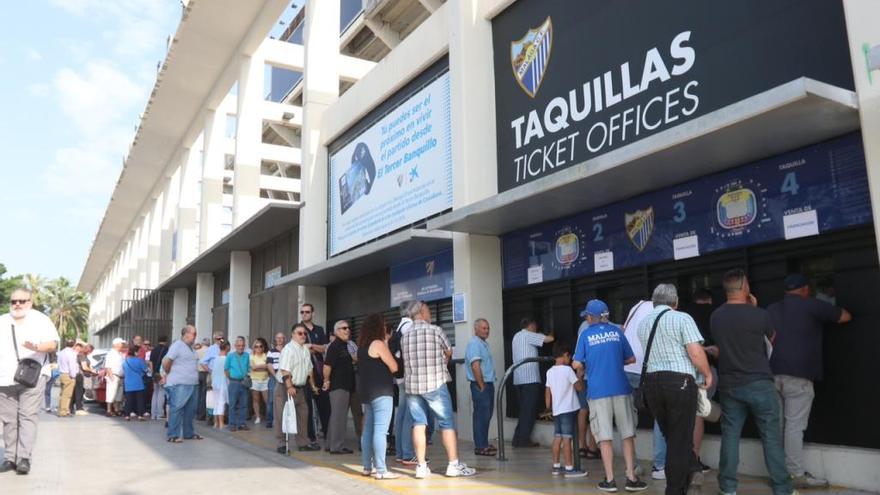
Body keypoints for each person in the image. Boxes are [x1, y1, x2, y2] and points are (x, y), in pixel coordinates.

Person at [711, 269, 794, 495]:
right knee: (771, 437)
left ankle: (728, 488)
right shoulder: (759, 314)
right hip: (760, 383)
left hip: (730, 385)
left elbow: (723, 347)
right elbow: (771, 339)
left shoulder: (716, 316)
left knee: (730, 436)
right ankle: (782, 488)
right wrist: (754, 309)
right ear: (744, 287)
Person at [768, 274, 851, 489]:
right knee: (794, 427)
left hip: (772, 374)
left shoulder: (771, 309)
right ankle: (796, 475)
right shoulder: (813, 305)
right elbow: (844, 316)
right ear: (805, 289)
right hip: (799, 375)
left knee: (778, 426)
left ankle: (779, 474)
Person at [638, 284, 713, 495]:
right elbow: (695, 352)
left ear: (654, 302)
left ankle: (692, 469)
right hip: (679, 383)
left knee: (672, 436)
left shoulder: (643, 324)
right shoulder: (682, 318)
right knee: (679, 439)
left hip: (652, 385)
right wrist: (707, 374)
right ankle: (674, 489)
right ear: (676, 302)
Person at [573, 299, 646, 492]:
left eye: (587, 316)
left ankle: (611, 480)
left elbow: (576, 364)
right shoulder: (617, 333)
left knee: (604, 437)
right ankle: (631, 478)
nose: (587, 319)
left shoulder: (585, 335)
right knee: (627, 434)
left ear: (591, 317)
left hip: (598, 391)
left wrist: (589, 364)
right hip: (622, 389)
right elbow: (631, 358)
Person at [401, 301, 476, 478]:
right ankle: (453, 465)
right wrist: (442, 361)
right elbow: (449, 351)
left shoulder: (406, 336)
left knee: (418, 424)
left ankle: (420, 466)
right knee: (446, 423)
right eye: (427, 310)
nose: (430, 314)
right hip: (434, 383)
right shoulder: (435, 330)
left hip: (412, 386)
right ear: (420, 312)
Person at [0, 287, 60, 475]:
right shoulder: (2, 321)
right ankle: (10, 457)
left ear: (30, 302)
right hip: (4, 376)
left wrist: (36, 346)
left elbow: (52, 344)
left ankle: (24, 458)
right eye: (14, 301)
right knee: (8, 420)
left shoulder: (41, 320)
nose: (17, 304)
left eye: (22, 301)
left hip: (32, 376)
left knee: (27, 416)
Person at [357, 313, 400, 479]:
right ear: (378, 327)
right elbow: (394, 366)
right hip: (382, 392)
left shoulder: (362, 345)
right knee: (381, 431)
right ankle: (382, 470)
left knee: (368, 430)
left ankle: (367, 467)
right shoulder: (378, 344)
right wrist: (387, 344)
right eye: (384, 325)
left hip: (367, 393)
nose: (385, 328)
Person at [275, 324, 320, 454]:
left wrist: (312, 386)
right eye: (299, 333)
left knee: (303, 414)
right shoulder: (288, 349)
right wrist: (289, 386)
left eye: (304, 333)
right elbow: (284, 370)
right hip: (286, 387)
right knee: (283, 415)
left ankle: (303, 442)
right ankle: (282, 443)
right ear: (292, 335)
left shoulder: (305, 349)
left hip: (301, 388)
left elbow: (309, 370)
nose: (303, 336)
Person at [545, 341, 587, 478]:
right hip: (568, 409)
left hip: (557, 410)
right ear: (565, 355)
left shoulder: (549, 372)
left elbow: (548, 391)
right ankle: (569, 467)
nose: (570, 361)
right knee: (568, 439)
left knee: (558, 437)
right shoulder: (568, 370)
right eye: (569, 357)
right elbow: (579, 388)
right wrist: (580, 376)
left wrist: (548, 407)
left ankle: (556, 466)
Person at [511, 317, 554, 448]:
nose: (536, 329)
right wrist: (551, 332)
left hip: (518, 379)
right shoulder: (529, 335)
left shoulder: (516, 336)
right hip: (530, 379)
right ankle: (523, 440)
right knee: (528, 411)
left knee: (524, 411)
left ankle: (517, 439)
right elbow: (549, 340)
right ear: (531, 326)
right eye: (535, 327)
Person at [162, 325, 203, 442]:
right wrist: (168, 372)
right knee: (177, 408)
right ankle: (173, 435)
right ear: (186, 334)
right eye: (194, 334)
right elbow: (166, 361)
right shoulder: (177, 346)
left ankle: (188, 433)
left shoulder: (191, 347)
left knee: (191, 410)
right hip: (180, 383)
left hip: (192, 383)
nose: (195, 337)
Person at [323, 320, 357, 454]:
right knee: (339, 417)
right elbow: (327, 366)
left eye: (348, 328)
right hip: (338, 386)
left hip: (345, 386)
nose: (347, 330)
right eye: (344, 328)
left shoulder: (344, 345)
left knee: (336, 416)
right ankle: (336, 447)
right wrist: (326, 380)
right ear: (336, 331)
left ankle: (330, 444)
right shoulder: (335, 346)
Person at [464, 318, 496, 456]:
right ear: (475, 329)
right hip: (481, 384)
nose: (486, 330)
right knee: (481, 416)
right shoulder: (474, 344)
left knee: (486, 415)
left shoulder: (483, 344)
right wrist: (481, 385)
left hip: (487, 383)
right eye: (483, 328)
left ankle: (483, 443)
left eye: (488, 328)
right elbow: (475, 365)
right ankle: (480, 446)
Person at [300, 303, 330, 443]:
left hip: (319, 371)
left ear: (312, 313)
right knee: (307, 407)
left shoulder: (319, 329)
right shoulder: (298, 328)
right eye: (302, 312)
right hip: (305, 372)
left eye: (307, 312)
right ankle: (311, 437)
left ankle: (328, 432)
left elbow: (324, 348)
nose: (304, 314)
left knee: (324, 404)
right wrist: (313, 348)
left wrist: (311, 346)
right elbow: (300, 348)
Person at [225, 336, 251, 432]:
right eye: (239, 345)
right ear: (235, 346)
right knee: (232, 404)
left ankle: (241, 423)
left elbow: (248, 368)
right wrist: (232, 378)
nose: (241, 347)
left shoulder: (247, 355)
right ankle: (232, 424)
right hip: (234, 382)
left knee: (244, 404)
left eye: (242, 345)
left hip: (243, 382)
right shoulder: (230, 356)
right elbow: (226, 369)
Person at [197, 333, 223, 423]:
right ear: (215, 339)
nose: (221, 340)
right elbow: (202, 362)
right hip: (212, 376)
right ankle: (210, 418)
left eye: (222, 338)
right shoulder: (212, 349)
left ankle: (219, 416)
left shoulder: (223, 348)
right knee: (210, 397)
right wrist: (210, 371)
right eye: (219, 338)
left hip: (222, 376)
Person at [123, 345, 149, 420]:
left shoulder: (126, 361)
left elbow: (124, 370)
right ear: (135, 352)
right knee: (140, 400)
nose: (139, 353)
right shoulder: (139, 360)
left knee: (128, 400)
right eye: (138, 352)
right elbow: (145, 370)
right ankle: (140, 415)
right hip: (138, 383)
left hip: (128, 383)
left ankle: (127, 415)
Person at [265, 332, 286, 429]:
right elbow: (269, 365)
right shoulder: (271, 352)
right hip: (274, 377)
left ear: (284, 339)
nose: (280, 339)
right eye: (278, 338)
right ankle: (269, 421)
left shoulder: (287, 350)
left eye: (281, 338)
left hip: (286, 377)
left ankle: (283, 421)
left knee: (285, 400)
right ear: (275, 339)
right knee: (271, 400)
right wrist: (276, 375)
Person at [56, 339, 80, 418]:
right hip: (69, 375)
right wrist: (73, 376)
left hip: (62, 374)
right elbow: (72, 365)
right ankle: (64, 411)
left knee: (62, 393)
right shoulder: (71, 353)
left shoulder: (61, 352)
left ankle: (62, 410)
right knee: (67, 395)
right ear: (74, 345)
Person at [249, 337, 270, 425]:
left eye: (260, 346)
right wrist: (263, 366)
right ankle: (258, 417)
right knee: (256, 400)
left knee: (267, 400)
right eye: (256, 346)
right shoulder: (251, 357)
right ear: (254, 348)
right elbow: (253, 368)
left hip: (265, 380)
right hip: (255, 381)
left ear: (263, 348)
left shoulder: (267, 356)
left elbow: (268, 367)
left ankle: (269, 417)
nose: (258, 348)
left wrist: (258, 367)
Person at [102, 338, 125, 417]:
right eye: (121, 343)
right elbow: (107, 366)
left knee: (119, 394)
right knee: (111, 393)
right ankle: (109, 410)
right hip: (114, 375)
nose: (122, 345)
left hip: (121, 376)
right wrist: (111, 375)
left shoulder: (120, 354)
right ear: (117, 344)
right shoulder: (111, 353)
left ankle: (116, 409)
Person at [150, 335, 170, 420]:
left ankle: (153, 414)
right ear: (166, 341)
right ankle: (160, 414)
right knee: (162, 393)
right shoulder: (166, 349)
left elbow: (150, 362)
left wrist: (153, 372)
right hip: (162, 373)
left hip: (155, 374)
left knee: (155, 393)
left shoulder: (153, 349)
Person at [211, 340, 229, 429]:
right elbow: (227, 372)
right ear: (227, 348)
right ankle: (221, 423)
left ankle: (215, 423)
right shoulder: (226, 359)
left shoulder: (215, 359)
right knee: (222, 402)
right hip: (223, 382)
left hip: (215, 382)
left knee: (216, 402)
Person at [72, 341, 92, 415]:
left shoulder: (80, 355)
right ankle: (78, 408)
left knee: (77, 392)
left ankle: (74, 407)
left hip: (78, 374)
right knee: (79, 392)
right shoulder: (82, 356)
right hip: (80, 375)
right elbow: (84, 367)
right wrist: (92, 370)